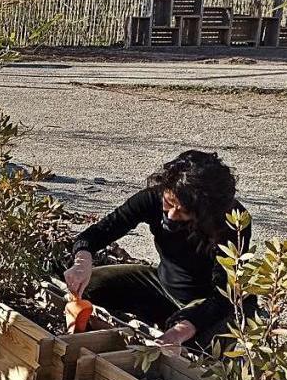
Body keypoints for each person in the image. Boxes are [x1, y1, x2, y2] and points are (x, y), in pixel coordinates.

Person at [63, 150, 250, 349]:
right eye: (169, 203)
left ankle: (179, 329)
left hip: (208, 301)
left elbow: (224, 294)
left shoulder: (233, 222)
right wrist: (82, 262)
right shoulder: (153, 198)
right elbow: (100, 232)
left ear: (203, 212)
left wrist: (183, 329)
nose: (170, 215)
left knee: (195, 346)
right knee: (89, 287)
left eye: (183, 212)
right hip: (162, 284)